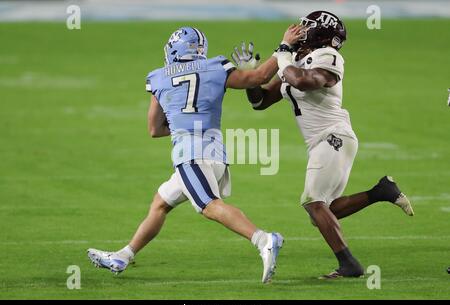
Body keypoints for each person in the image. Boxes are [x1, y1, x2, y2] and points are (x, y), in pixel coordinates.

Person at [87, 27, 284, 283]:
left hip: (190, 154)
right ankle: (123, 255)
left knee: (208, 206)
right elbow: (258, 77)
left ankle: (263, 240)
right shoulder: (217, 67)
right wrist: (284, 48)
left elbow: (154, 129)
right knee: (161, 202)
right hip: (214, 152)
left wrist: (183, 123)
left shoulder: (158, 77)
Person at [242, 11, 414, 278]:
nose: (300, 29)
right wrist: (250, 75)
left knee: (313, 203)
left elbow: (304, 81)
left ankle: (349, 264)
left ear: (321, 33)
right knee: (322, 211)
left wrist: (284, 51)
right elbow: (260, 102)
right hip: (320, 141)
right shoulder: (297, 59)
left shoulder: (328, 57)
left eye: (307, 27)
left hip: (333, 136)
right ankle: (380, 192)